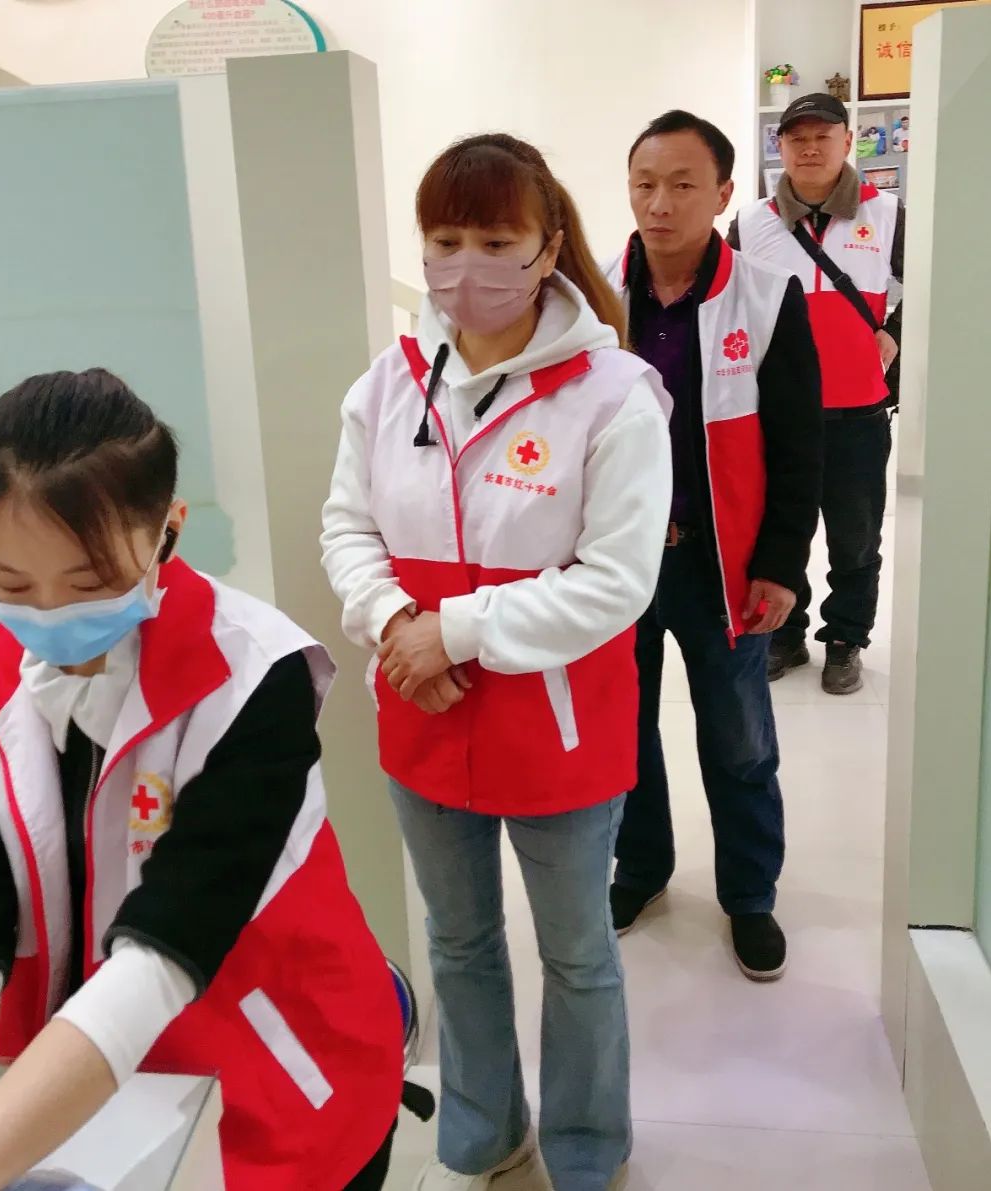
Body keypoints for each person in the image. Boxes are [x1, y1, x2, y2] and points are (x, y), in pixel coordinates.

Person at [0, 369, 404, 1191]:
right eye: (12, 585)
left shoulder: (256, 677)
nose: (51, 615)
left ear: (167, 532)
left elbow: (164, 952)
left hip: (274, 1072)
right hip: (84, 1086)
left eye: (89, 583)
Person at [321, 133, 672, 1191]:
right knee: (460, 943)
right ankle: (482, 1131)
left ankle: (586, 1146)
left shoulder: (613, 394)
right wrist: (395, 622)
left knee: (577, 954)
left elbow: (617, 581)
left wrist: (457, 630)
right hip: (421, 712)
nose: (464, 264)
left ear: (548, 246)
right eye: (444, 239)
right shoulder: (387, 384)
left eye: (494, 240)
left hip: (558, 728)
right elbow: (346, 527)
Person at [602, 111, 822, 980]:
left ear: (724, 193)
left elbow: (798, 445)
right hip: (615, 562)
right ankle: (641, 866)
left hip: (718, 560)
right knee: (622, 727)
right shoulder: (590, 297)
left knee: (738, 737)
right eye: (644, 184)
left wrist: (782, 565)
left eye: (683, 185)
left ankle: (750, 893)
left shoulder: (765, 296)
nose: (659, 203)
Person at [729, 92, 905, 694]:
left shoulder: (888, 213)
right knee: (783, 529)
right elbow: (727, 299)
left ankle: (846, 639)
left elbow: (927, 285)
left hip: (859, 410)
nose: (809, 148)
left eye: (822, 136)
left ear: (846, 142)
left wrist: (895, 333)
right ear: (779, 147)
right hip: (777, 412)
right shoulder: (750, 223)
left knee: (855, 538)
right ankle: (786, 633)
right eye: (796, 138)